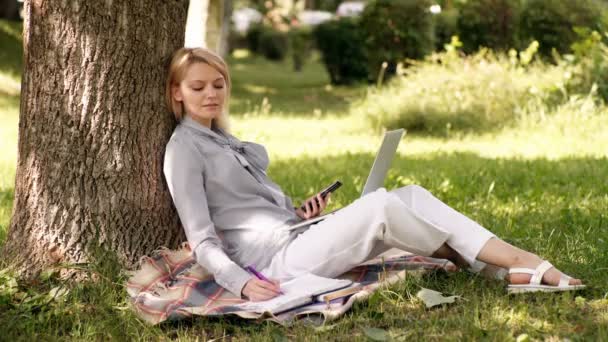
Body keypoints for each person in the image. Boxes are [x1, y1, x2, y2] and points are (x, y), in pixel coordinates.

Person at [162, 47, 585, 302]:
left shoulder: (224, 140)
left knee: (412, 195)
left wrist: (298, 212)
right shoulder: (184, 150)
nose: (211, 94)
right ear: (176, 92)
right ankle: (515, 262)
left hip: (293, 238)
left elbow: (246, 212)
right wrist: (240, 285)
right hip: (272, 266)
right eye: (197, 87)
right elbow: (202, 238)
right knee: (381, 205)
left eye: (218, 84)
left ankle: (489, 264)